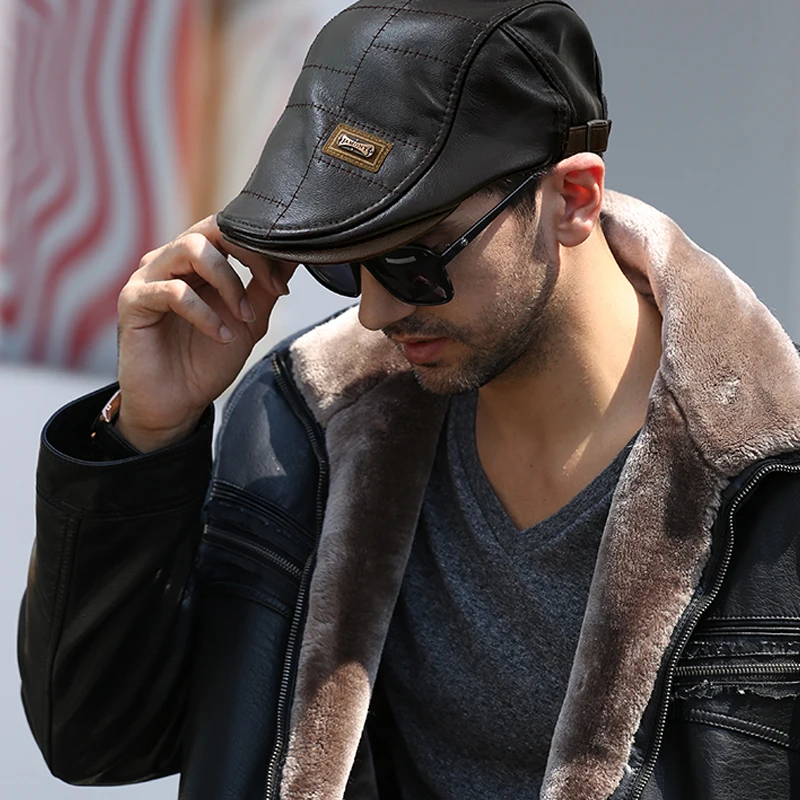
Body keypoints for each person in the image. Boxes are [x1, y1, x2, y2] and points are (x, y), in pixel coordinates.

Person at [18, 1, 800, 799]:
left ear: (572, 198)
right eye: (345, 264)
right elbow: (98, 741)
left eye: (414, 261)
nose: (375, 311)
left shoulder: (773, 481)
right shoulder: (307, 426)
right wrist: (149, 433)